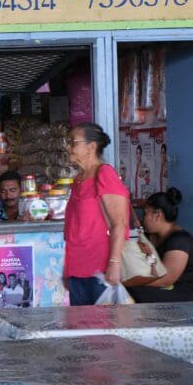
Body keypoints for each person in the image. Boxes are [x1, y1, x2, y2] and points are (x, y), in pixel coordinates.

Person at [63, 122, 131, 305]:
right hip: (77, 270)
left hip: (101, 270)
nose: (68, 147)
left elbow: (119, 223)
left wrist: (114, 264)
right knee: (80, 329)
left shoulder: (104, 174)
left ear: (90, 147)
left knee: (103, 328)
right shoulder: (78, 180)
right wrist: (67, 269)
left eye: (73, 142)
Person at [127, 188, 193, 303]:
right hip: (169, 288)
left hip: (187, 293)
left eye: (145, 214)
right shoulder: (152, 237)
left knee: (132, 290)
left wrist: (129, 281)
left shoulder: (180, 241)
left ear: (157, 215)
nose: (142, 219)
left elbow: (166, 279)